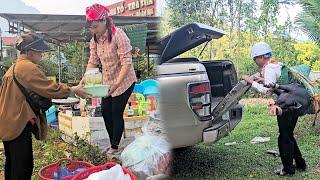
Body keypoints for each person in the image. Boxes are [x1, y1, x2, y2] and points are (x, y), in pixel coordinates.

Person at [0, 33, 91, 180]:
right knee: (22, 168)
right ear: (30, 52)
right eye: (39, 52)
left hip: (8, 123)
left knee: (12, 165)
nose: (41, 55)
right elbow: (50, 88)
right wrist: (73, 90)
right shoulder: (27, 67)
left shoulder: (14, 68)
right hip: (18, 124)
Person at [243, 42, 310, 176]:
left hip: (285, 105)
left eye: (255, 59)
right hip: (297, 102)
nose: (255, 62)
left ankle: (288, 169)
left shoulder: (268, 68)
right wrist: (262, 79)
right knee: (289, 134)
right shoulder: (277, 65)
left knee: (284, 136)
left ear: (261, 57)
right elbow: (278, 84)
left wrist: (251, 82)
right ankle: (301, 164)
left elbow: (268, 91)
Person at [82, 4, 137, 155]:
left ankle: (114, 146)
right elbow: (92, 61)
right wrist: (84, 79)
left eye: (95, 27)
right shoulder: (95, 40)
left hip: (124, 81)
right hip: (108, 81)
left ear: (104, 21)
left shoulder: (119, 35)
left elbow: (127, 62)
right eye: (91, 28)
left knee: (116, 112)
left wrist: (117, 84)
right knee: (105, 111)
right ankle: (114, 141)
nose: (93, 31)